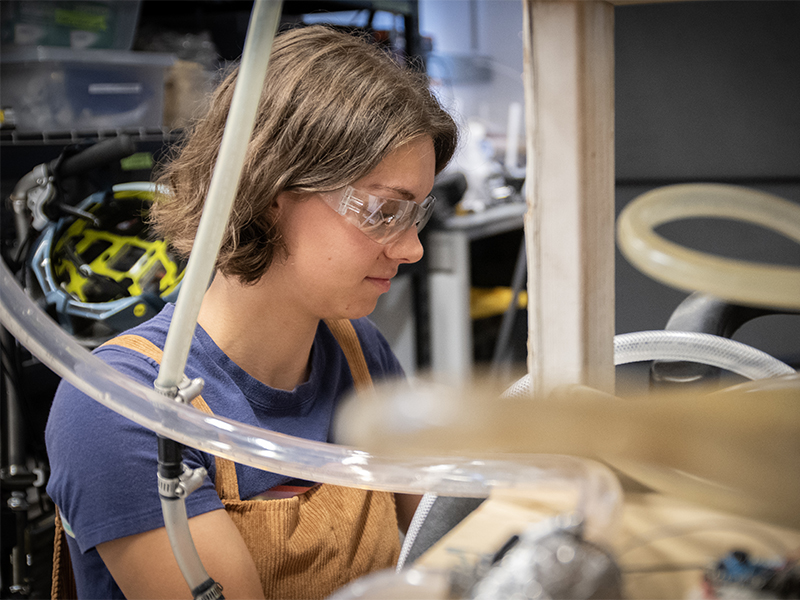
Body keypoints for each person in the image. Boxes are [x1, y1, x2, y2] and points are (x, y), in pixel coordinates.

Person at [45, 24, 458, 600]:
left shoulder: (358, 353)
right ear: (267, 192)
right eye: (384, 211)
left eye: (416, 214)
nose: (410, 247)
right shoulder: (121, 408)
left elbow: (444, 543)